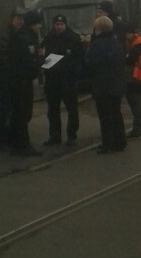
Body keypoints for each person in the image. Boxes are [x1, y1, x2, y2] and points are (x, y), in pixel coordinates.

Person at [85, 15, 127, 154]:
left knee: (105, 116)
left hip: (102, 86)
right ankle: (120, 142)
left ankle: (107, 144)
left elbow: (90, 64)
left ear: (99, 29)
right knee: (116, 113)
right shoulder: (116, 42)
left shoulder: (96, 45)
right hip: (116, 84)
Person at [40, 14, 83, 147]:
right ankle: (55, 135)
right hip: (52, 79)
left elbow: (79, 58)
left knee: (71, 107)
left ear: (65, 25)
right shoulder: (48, 38)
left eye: (61, 25)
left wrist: (72, 69)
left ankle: (71, 134)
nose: (59, 27)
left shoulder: (73, 38)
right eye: (57, 24)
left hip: (67, 78)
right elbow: (43, 55)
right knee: (53, 109)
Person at [7, 9, 44, 157]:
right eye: (38, 24)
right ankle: (24, 145)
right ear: (33, 24)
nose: (39, 27)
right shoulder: (26, 38)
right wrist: (41, 58)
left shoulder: (18, 35)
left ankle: (16, 144)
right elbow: (29, 61)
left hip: (16, 80)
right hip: (22, 81)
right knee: (23, 114)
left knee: (17, 113)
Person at [0, 8, 24, 150]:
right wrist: (14, 70)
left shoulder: (15, 33)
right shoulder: (6, 35)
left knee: (11, 108)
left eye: (22, 19)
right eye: (18, 19)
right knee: (6, 108)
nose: (20, 22)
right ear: (12, 19)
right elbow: (3, 56)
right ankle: (4, 139)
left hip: (11, 77)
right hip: (7, 77)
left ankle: (9, 137)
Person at [124, 23, 141, 139]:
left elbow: (130, 59)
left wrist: (125, 56)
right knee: (135, 104)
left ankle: (137, 129)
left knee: (135, 105)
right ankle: (140, 128)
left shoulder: (139, 43)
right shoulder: (135, 42)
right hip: (136, 78)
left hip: (137, 78)